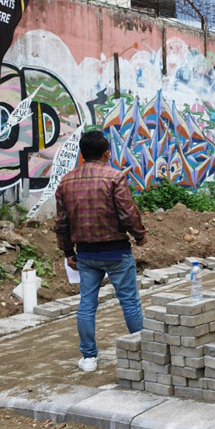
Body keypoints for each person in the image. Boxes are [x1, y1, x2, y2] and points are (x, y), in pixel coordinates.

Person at [54, 130, 148, 373]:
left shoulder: (65, 182)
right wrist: (140, 235)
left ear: (82, 155)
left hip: (85, 254)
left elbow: (61, 223)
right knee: (129, 301)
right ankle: (143, 352)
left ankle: (88, 358)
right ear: (107, 153)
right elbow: (128, 213)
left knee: (87, 304)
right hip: (116, 251)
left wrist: (67, 252)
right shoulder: (114, 178)